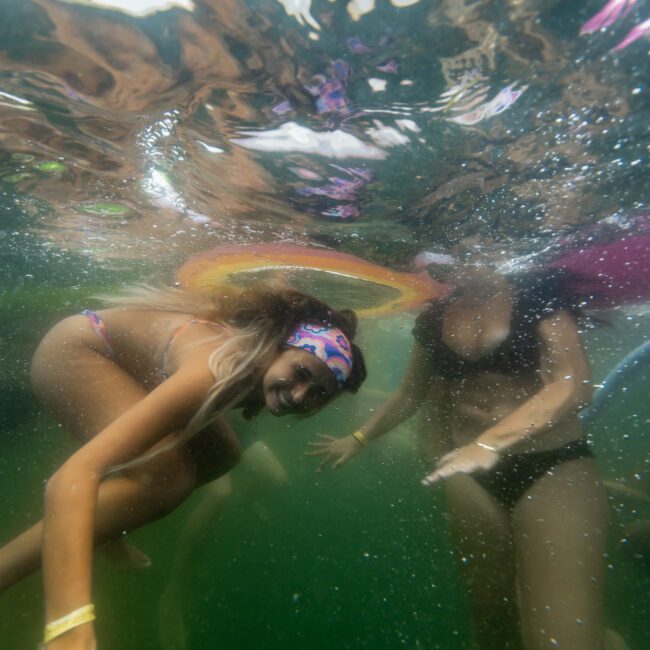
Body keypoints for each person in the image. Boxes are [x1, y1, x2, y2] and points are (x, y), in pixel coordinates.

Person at [0, 282, 366, 650]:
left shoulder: (256, 370)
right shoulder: (214, 370)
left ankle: (101, 524)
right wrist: (68, 629)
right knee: (167, 480)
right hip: (78, 352)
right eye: (300, 373)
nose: (299, 395)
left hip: (129, 367)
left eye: (317, 392)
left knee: (222, 455)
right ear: (277, 348)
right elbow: (72, 477)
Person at [309, 254, 620, 650]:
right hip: (469, 474)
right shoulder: (436, 317)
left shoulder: (538, 295)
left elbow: (573, 386)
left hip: (551, 465)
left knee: (564, 639)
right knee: (492, 625)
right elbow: (410, 393)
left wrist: (488, 443)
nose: (449, 264)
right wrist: (358, 438)